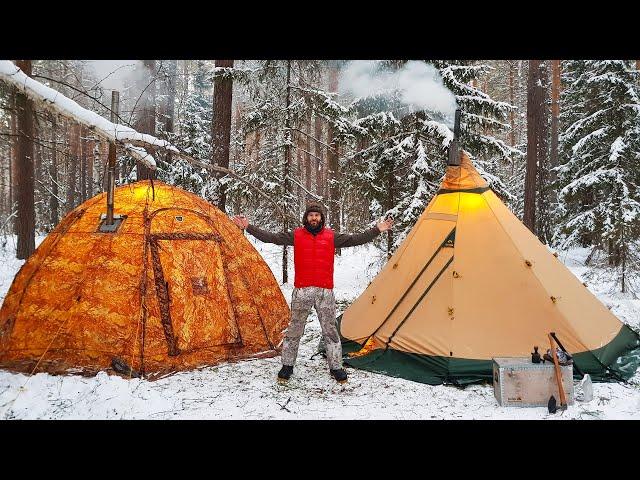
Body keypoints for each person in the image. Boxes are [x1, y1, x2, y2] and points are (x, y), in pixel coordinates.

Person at [232, 202, 393, 384]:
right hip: (302, 291)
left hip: (325, 292)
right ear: (306, 218)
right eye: (311, 215)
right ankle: (287, 366)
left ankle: (336, 367)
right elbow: (272, 238)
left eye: (317, 215)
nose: (314, 218)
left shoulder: (332, 236)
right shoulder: (297, 235)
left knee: (330, 331)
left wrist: (378, 229)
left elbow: (356, 239)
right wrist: (248, 227)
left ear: (321, 218)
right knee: (294, 330)